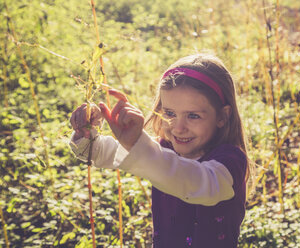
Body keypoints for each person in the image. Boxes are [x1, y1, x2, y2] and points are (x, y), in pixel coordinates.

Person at [70, 53, 255, 248]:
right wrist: (85, 134)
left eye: (193, 115)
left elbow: (196, 183)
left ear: (222, 116)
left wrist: (137, 145)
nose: (178, 128)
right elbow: (103, 153)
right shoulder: (162, 149)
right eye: (169, 113)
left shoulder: (229, 161)